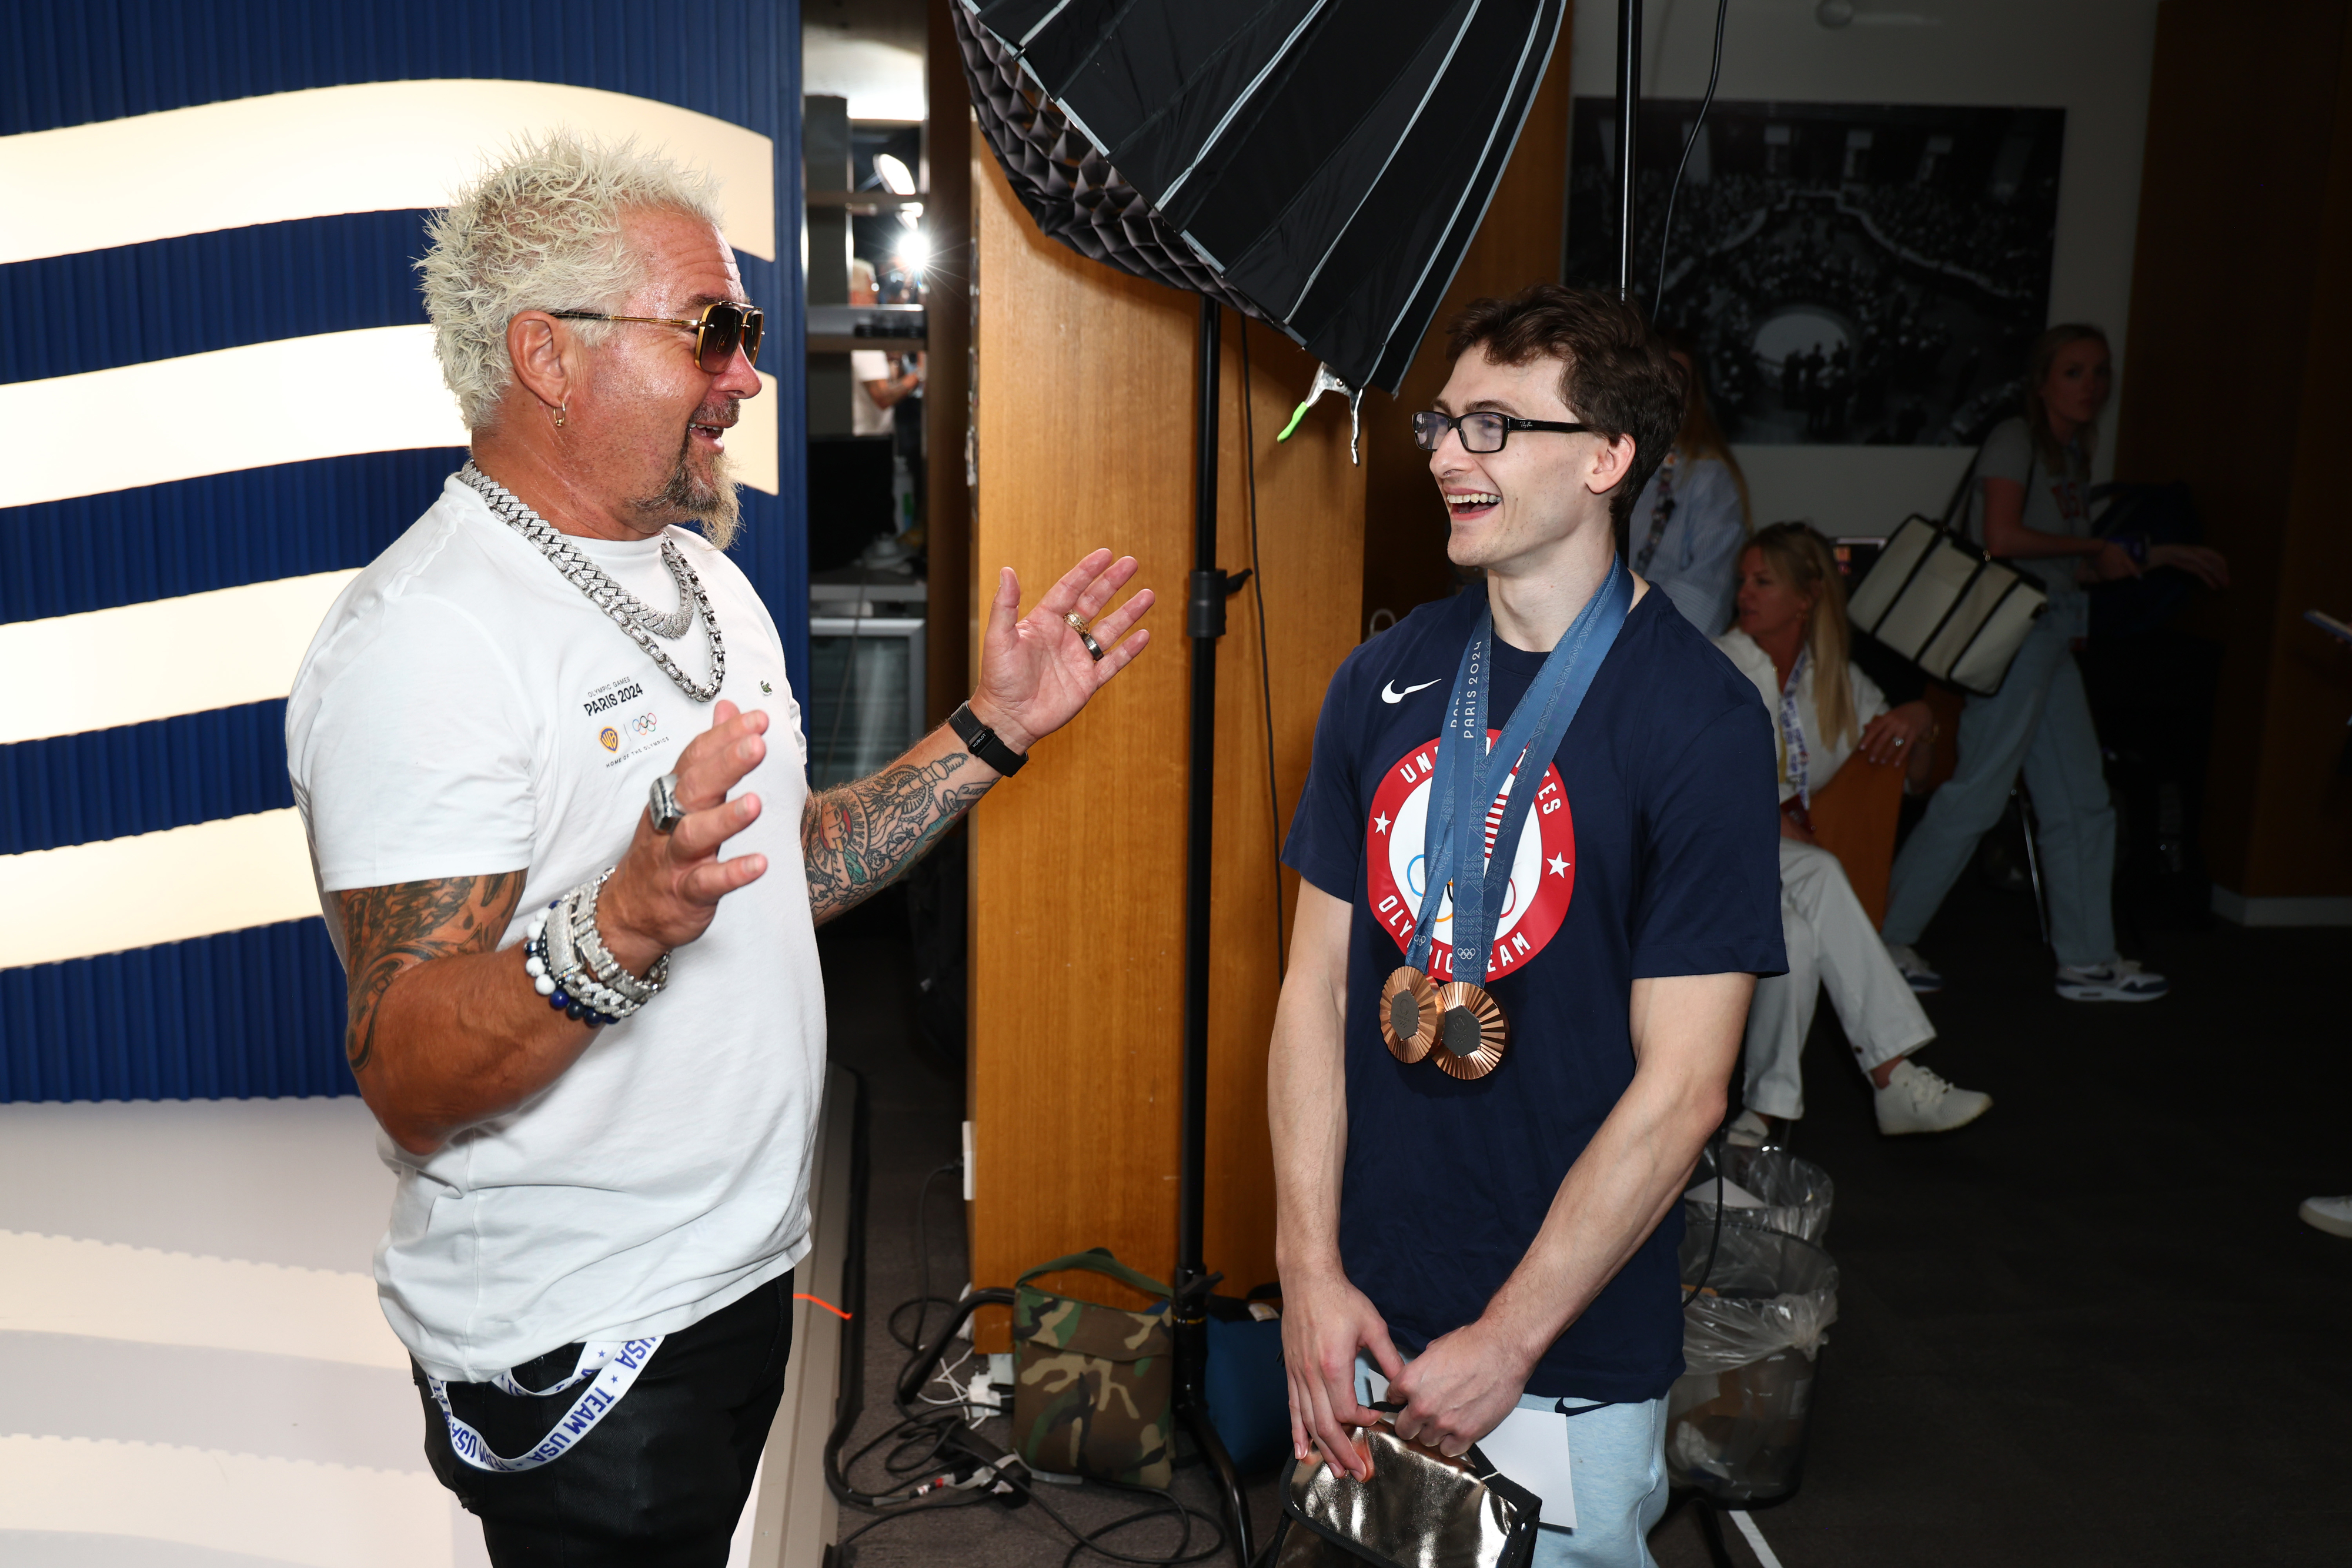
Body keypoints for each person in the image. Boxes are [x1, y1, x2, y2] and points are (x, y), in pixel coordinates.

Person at [284, 135, 1152, 1564]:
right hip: (586, 1337)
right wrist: (618, 924)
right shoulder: (424, 642)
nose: (749, 376)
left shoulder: (703, 581)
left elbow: (783, 868)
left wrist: (990, 732)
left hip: (736, 1276)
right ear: (550, 358)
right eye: (714, 333)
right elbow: (411, 1069)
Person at [1270, 283, 1783, 1566]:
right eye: (1442, 422)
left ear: (1608, 457)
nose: (1446, 452)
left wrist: (1507, 1338)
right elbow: (1312, 993)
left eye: (1494, 426)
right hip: (1362, 1311)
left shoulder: (1698, 720)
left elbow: (1683, 1090)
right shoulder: (1376, 679)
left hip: (1560, 1350)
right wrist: (1306, 1273)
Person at [1879, 324, 2223, 1000]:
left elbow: (2068, 562)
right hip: (2017, 639)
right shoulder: (2017, 440)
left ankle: (2087, 959)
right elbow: (2002, 539)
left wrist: (2157, 555)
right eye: (2073, 371)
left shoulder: (2067, 457)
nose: (2090, 385)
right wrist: (2095, 549)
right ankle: (1880, 940)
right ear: (2042, 381)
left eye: (2099, 372)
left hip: (2052, 635)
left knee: (2082, 802)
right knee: (1976, 795)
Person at [1713, 524, 1992, 1144]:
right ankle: (1892, 1075)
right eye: (1742, 581)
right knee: (1818, 871)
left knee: (1797, 932)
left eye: (1763, 581)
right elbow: (1703, 784)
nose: (1744, 594)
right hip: (1707, 854)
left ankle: (1760, 1118)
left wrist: (1920, 723)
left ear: (1807, 597)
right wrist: (1777, 820)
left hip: (1778, 867)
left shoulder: (1834, 680)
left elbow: (1915, 781)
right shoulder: (1720, 662)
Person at [1623, 330, 1751, 635]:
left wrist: (1641, 641)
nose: (1665, 394)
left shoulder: (1707, 478)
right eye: (1654, 380)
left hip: (1656, 648)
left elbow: (1708, 586)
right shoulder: (1600, 462)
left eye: (1677, 383)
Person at [848, 257, 920, 437]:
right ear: (855, 296)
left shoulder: (855, 335)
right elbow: (883, 397)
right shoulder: (861, 340)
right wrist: (920, 374)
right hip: (866, 442)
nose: (876, 294)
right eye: (872, 287)